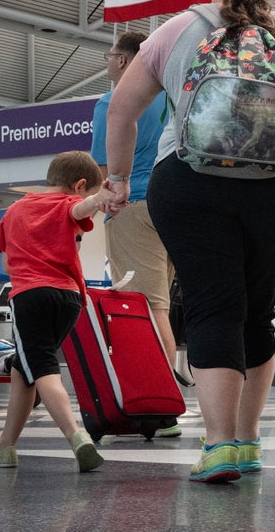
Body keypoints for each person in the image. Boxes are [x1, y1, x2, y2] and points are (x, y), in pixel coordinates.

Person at [102, 0, 275, 483]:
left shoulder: (175, 30)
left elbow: (122, 109)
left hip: (189, 184)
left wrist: (120, 179)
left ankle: (216, 447)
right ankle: (247, 442)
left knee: (211, 306)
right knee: (256, 311)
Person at [0, 150, 117, 472]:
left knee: (41, 367)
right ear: (80, 184)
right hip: (69, 298)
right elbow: (81, 208)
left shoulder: (14, 211)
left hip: (31, 296)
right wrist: (99, 201)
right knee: (22, 368)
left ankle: (76, 437)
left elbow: (7, 264)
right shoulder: (69, 206)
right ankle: (5, 447)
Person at [90, 31, 184, 436]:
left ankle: (161, 407)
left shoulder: (111, 102)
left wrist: (98, 205)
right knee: (160, 301)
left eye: (112, 55)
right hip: (173, 207)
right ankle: (160, 397)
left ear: (125, 61)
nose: (108, 62)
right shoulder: (172, 96)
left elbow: (101, 169)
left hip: (131, 207)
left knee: (147, 308)